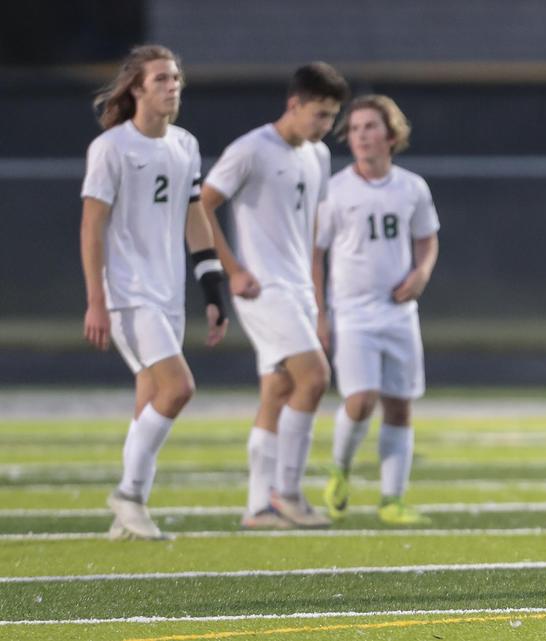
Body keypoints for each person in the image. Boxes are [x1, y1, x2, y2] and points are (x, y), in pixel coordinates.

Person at [81, 45, 229, 540]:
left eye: (177, 79)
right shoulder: (112, 148)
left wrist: (213, 289)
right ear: (137, 88)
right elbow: (91, 228)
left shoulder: (184, 145)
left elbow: (195, 218)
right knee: (178, 387)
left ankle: (129, 510)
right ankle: (128, 495)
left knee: (149, 398)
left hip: (169, 293)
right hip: (128, 294)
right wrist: (97, 300)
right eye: (162, 78)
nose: (173, 87)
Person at [200, 62, 350, 529]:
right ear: (294, 104)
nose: (325, 126)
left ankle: (257, 508)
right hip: (263, 288)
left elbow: (310, 233)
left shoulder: (318, 155)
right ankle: (287, 492)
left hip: (298, 289)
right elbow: (201, 204)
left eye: (331, 118)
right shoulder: (251, 149)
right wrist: (233, 269)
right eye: (319, 115)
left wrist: (319, 303)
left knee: (279, 389)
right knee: (315, 378)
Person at [314, 95, 440, 526]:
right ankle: (340, 468)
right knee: (361, 399)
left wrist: (421, 273)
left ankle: (392, 499)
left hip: (399, 313)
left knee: (400, 406)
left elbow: (427, 238)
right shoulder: (335, 189)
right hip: (351, 313)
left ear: (390, 134)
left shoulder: (412, 187)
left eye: (370, 127)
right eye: (354, 128)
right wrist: (320, 312)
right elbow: (316, 252)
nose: (361, 135)